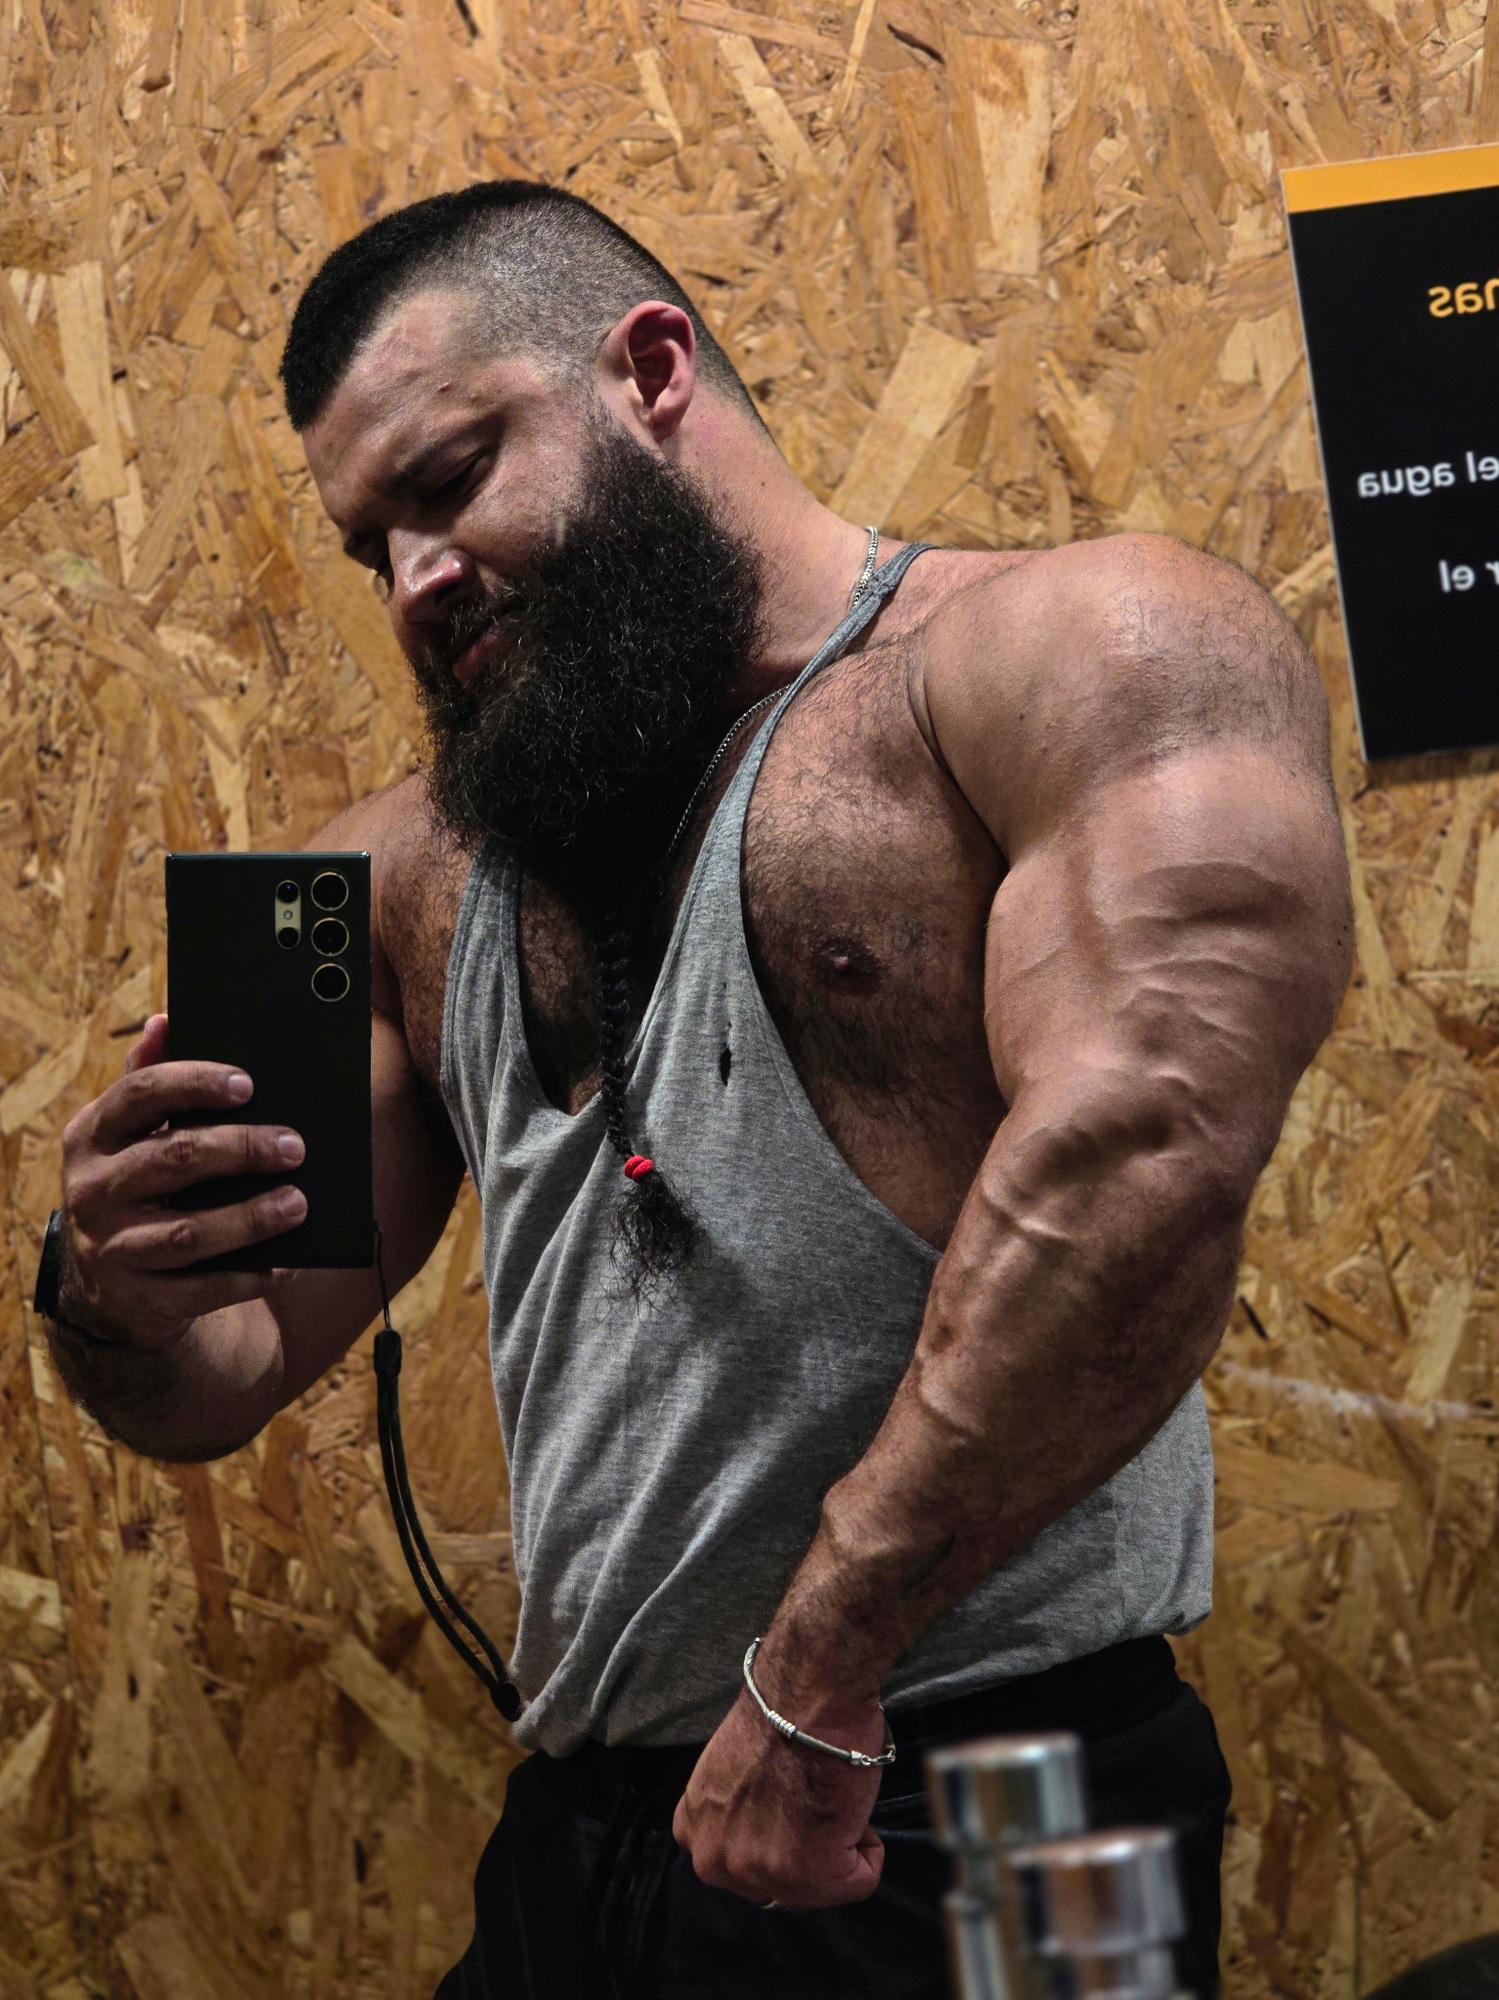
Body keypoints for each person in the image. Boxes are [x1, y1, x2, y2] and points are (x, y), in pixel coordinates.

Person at [42, 182, 1351, 1999]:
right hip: (613, 1825)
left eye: (450, 480)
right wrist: (105, 1292)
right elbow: (216, 1380)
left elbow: (1154, 1162)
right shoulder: (389, 874)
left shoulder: (1075, 648)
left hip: (1027, 1786)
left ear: (650, 370)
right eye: (369, 549)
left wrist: (825, 1658)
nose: (413, 578)